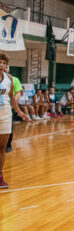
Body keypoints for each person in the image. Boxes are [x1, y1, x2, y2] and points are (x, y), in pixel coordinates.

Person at [0, 51, 30, 188]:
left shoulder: (9, 79)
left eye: (4, 63)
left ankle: (0, 176)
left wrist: (20, 112)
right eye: (0, 62)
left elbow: (12, 98)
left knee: (2, 148)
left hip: (5, 115)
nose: (1, 64)